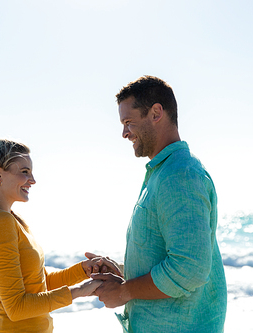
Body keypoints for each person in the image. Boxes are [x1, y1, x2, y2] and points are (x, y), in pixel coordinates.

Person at [92, 76, 227, 332]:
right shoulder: (163, 174)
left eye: (128, 122)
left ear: (156, 113)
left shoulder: (180, 175)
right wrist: (124, 273)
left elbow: (189, 269)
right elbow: (170, 258)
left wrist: (123, 292)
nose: (124, 133)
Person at [0, 139, 121, 333]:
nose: (32, 180)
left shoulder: (3, 218)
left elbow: (39, 285)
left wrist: (82, 271)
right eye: (24, 172)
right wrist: (78, 292)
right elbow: (16, 307)